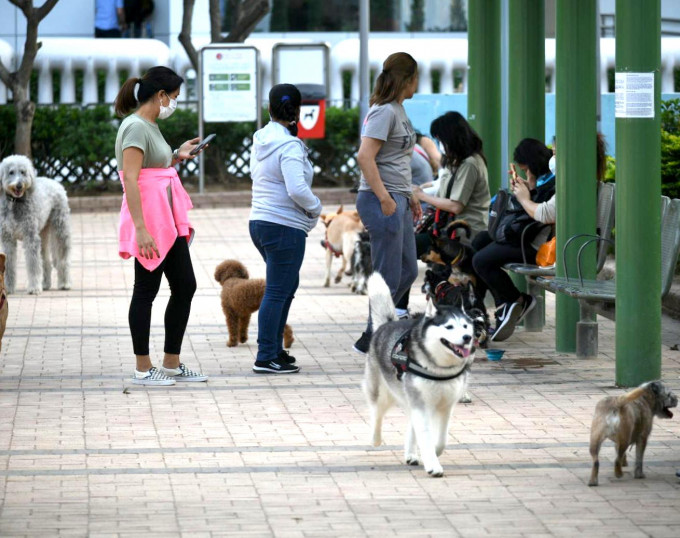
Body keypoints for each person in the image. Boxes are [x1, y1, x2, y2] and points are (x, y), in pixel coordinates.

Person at [115, 66, 207, 386]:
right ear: (161, 95)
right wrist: (140, 229)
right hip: (150, 221)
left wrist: (178, 155)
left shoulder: (150, 125)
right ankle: (143, 367)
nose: (175, 104)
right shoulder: (135, 127)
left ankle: (171, 362)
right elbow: (131, 178)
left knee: (185, 285)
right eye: (175, 98)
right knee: (146, 289)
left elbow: (157, 166)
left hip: (167, 219)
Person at [249, 83, 322, 374]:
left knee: (285, 286)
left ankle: (275, 349)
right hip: (283, 226)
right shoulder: (289, 146)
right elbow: (297, 189)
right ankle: (266, 356)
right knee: (278, 291)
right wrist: (316, 207)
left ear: (269, 108)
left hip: (260, 222)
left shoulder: (262, 139)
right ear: (297, 111)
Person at [353, 52, 422, 353]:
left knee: (408, 270)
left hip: (398, 196)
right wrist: (384, 198)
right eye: (415, 78)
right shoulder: (383, 112)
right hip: (382, 198)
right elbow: (365, 156)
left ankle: (375, 333)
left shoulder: (398, 110)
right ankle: (378, 337)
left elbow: (398, 160)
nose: (417, 84)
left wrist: (410, 196)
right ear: (406, 80)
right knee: (389, 275)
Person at [396, 111, 490, 314]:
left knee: (407, 247)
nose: (440, 145)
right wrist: (419, 189)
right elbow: (442, 187)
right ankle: (401, 308)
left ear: (452, 138)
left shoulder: (470, 164)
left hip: (464, 233)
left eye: (441, 140)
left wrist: (422, 196)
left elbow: (456, 205)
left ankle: (400, 309)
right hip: (449, 230)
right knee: (406, 246)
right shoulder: (457, 162)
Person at [471, 138, 556, 343]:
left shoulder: (556, 183)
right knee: (479, 242)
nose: (554, 153)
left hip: (539, 247)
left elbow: (544, 214)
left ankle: (515, 301)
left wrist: (524, 197)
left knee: (481, 260)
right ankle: (487, 305)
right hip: (528, 238)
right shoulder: (548, 180)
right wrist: (529, 187)